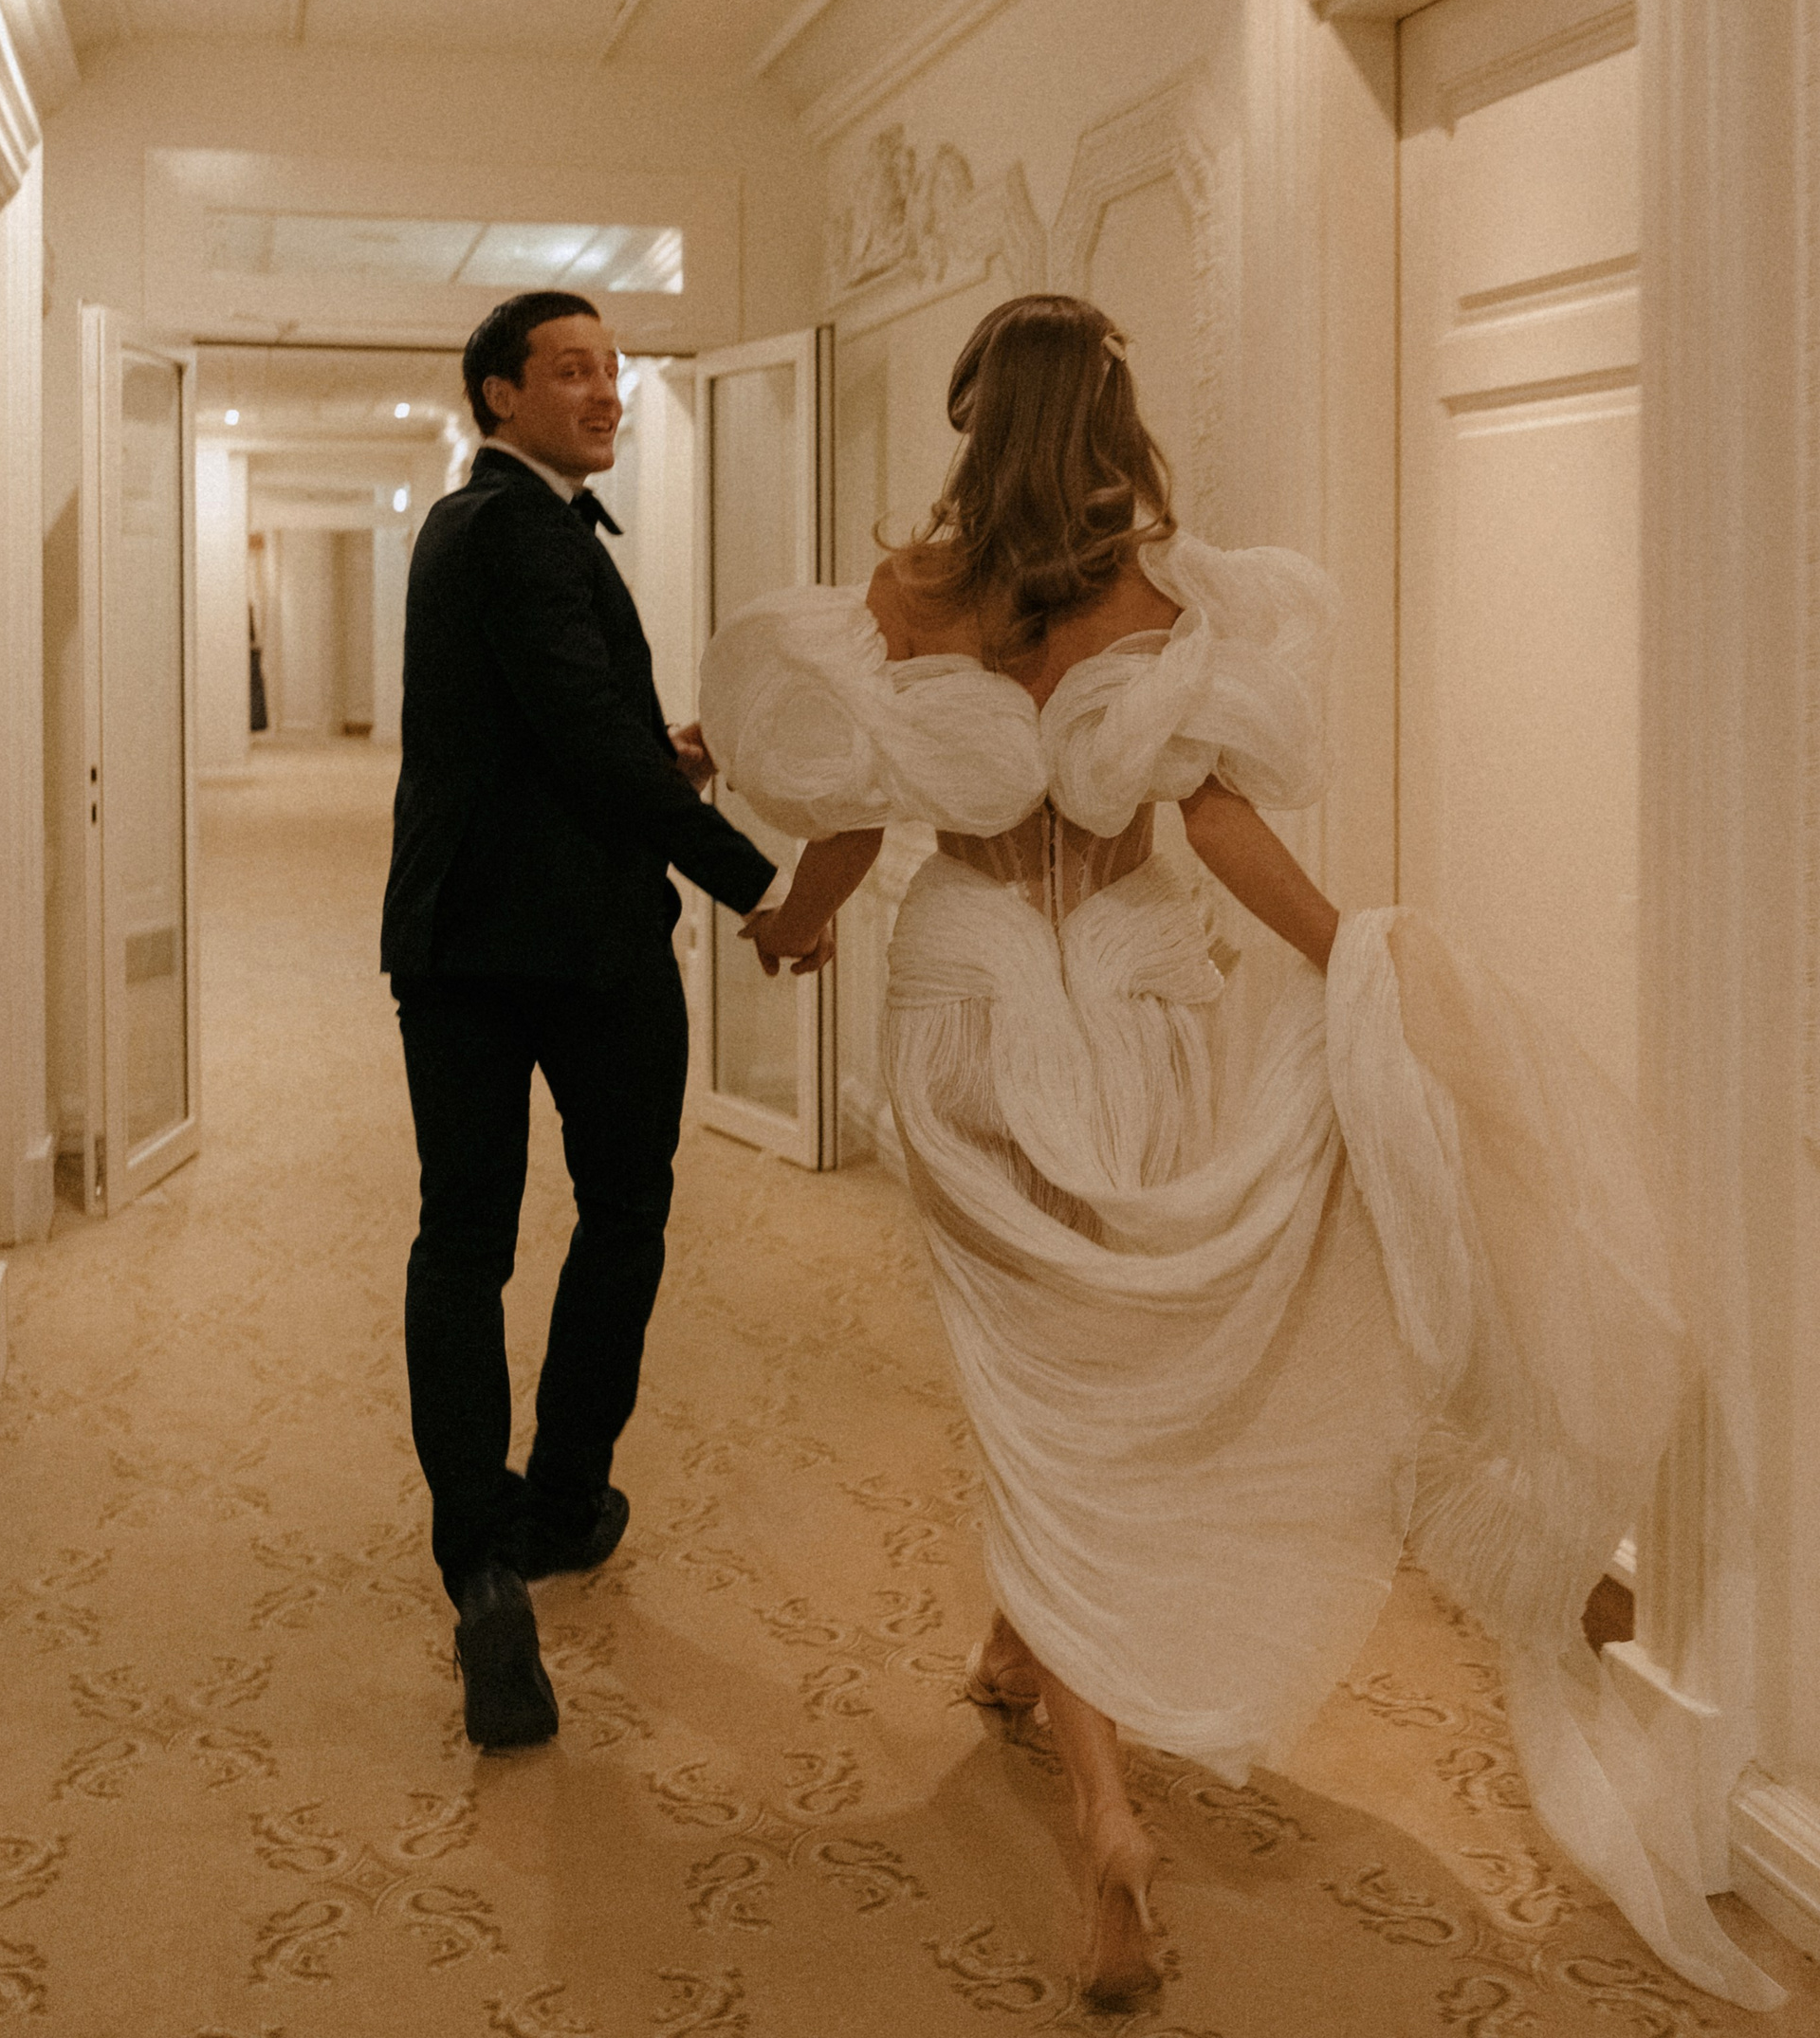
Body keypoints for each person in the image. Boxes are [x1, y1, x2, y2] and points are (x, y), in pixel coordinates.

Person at [697, 293, 1781, 2013]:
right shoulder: (1162, 603)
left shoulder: (907, 601)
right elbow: (1214, 823)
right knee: (1111, 1360)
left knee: (1032, 1382)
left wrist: (791, 925)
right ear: (1114, 422)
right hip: (1135, 996)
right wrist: (1357, 962)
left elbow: (853, 816)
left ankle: (1105, 1815)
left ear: (972, 421)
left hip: (971, 1001)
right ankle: (1037, 1653)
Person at [380, 291, 821, 1753]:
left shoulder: (481, 527)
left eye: (614, 369)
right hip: (582, 948)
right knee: (620, 1213)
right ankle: (561, 1503)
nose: (606, 391)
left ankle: (485, 1556)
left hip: (460, 941)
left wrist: (655, 755)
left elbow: (548, 729)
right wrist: (762, 887)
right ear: (497, 395)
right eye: (571, 369)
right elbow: (577, 737)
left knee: (464, 1239)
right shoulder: (521, 529)